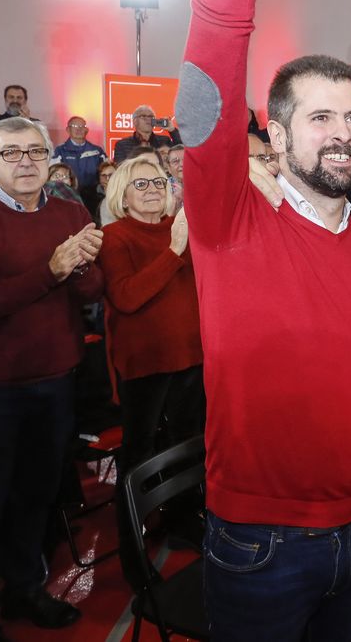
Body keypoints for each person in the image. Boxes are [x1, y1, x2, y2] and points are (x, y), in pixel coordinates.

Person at [172, 0, 351, 639]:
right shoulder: (231, 225)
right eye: (319, 118)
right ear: (279, 129)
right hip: (259, 543)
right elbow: (205, 88)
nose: (342, 134)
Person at [0, 116, 104, 640]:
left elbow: (91, 292)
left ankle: (24, 590)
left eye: (35, 151)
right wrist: (50, 272)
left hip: (56, 378)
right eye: (11, 153)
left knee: (37, 496)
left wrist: (80, 270)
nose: (27, 162)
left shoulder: (70, 210)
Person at [97, 154, 203, 581]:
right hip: (144, 365)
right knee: (138, 457)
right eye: (140, 184)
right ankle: (133, 555)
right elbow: (127, 296)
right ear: (121, 194)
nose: (153, 189)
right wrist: (175, 249)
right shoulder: (114, 236)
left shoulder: (181, 228)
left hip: (192, 357)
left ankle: (182, 523)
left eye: (158, 181)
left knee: (188, 447)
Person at [51, 116, 107, 194]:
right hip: (68, 195)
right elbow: (52, 177)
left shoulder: (97, 151)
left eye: (82, 126)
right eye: (74, 126)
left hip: (94, 197)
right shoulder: (59, 151)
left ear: (86, 130)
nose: (79, 129)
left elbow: (106, 173)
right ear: (68, 130)